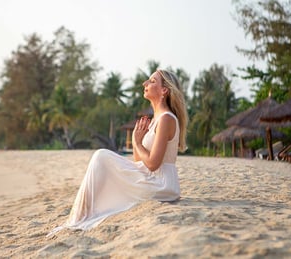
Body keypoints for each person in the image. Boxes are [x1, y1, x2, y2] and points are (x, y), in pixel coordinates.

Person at [47, 69, 188, 236]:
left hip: (161, 184)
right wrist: (138, 140)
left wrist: (136, 141)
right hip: (151, 178)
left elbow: (153, 163)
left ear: (164, 90)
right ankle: (82, 215)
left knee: (101, 156)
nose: (145, 84)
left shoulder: (166, 118)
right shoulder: (156, 118)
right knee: (103, 160)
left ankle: (80, 216)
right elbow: (140, 162)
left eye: (151, 81)